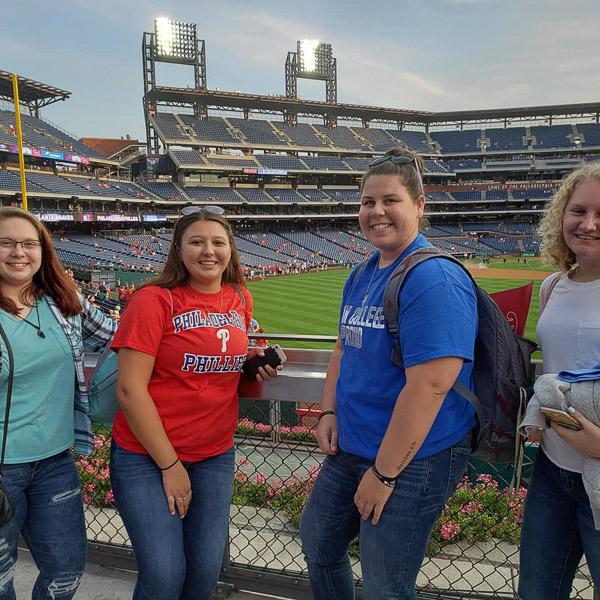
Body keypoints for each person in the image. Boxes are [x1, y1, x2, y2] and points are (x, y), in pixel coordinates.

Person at [299, 148, 478, 600]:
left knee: (385, 587)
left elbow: (431, 386)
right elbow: (344, 346)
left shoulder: (434, 277)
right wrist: (329, 411)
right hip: (353, 445)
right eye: (367, 202)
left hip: (413, 459)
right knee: (319, 544)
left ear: (419, 205)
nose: (376, 211)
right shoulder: (361, 273)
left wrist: (384, 474)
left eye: (390, 200)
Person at [109, 207, 279, 600]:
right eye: (197, 242)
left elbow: (224, 367)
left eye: (218, 242)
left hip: (214, 453)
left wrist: (252, 367)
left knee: (204, 572)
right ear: (179, 250)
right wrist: (170, 465)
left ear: (230, 250)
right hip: (146, 456)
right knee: (165, 575)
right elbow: (130, 390)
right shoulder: (153, 300)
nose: (209, 251)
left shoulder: (240, 297)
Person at [0, 207, 116, 599]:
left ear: (43, 251)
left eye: (29, 243)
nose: (19, 252)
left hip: (54, 462)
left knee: (66, 570)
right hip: (1, 468)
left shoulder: (62, 301)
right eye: (6, 243)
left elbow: (124, 336)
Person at [519, 163, 600, 599]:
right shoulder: (554, 286)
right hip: (553, 472)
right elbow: (552, 371)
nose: (588, 224)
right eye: (578, 210)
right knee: (536, 592)